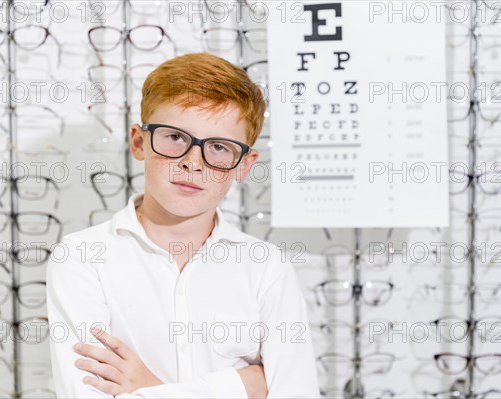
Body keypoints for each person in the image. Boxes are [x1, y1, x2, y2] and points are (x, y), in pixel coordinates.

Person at [46, 52, 320, 398]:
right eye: (175, 138)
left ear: (244, 164)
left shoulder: (265, 268)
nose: (193, 163)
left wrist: (148, 388)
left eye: (219, 147)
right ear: (139, 141)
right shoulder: (82, 258)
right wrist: (241, 385)